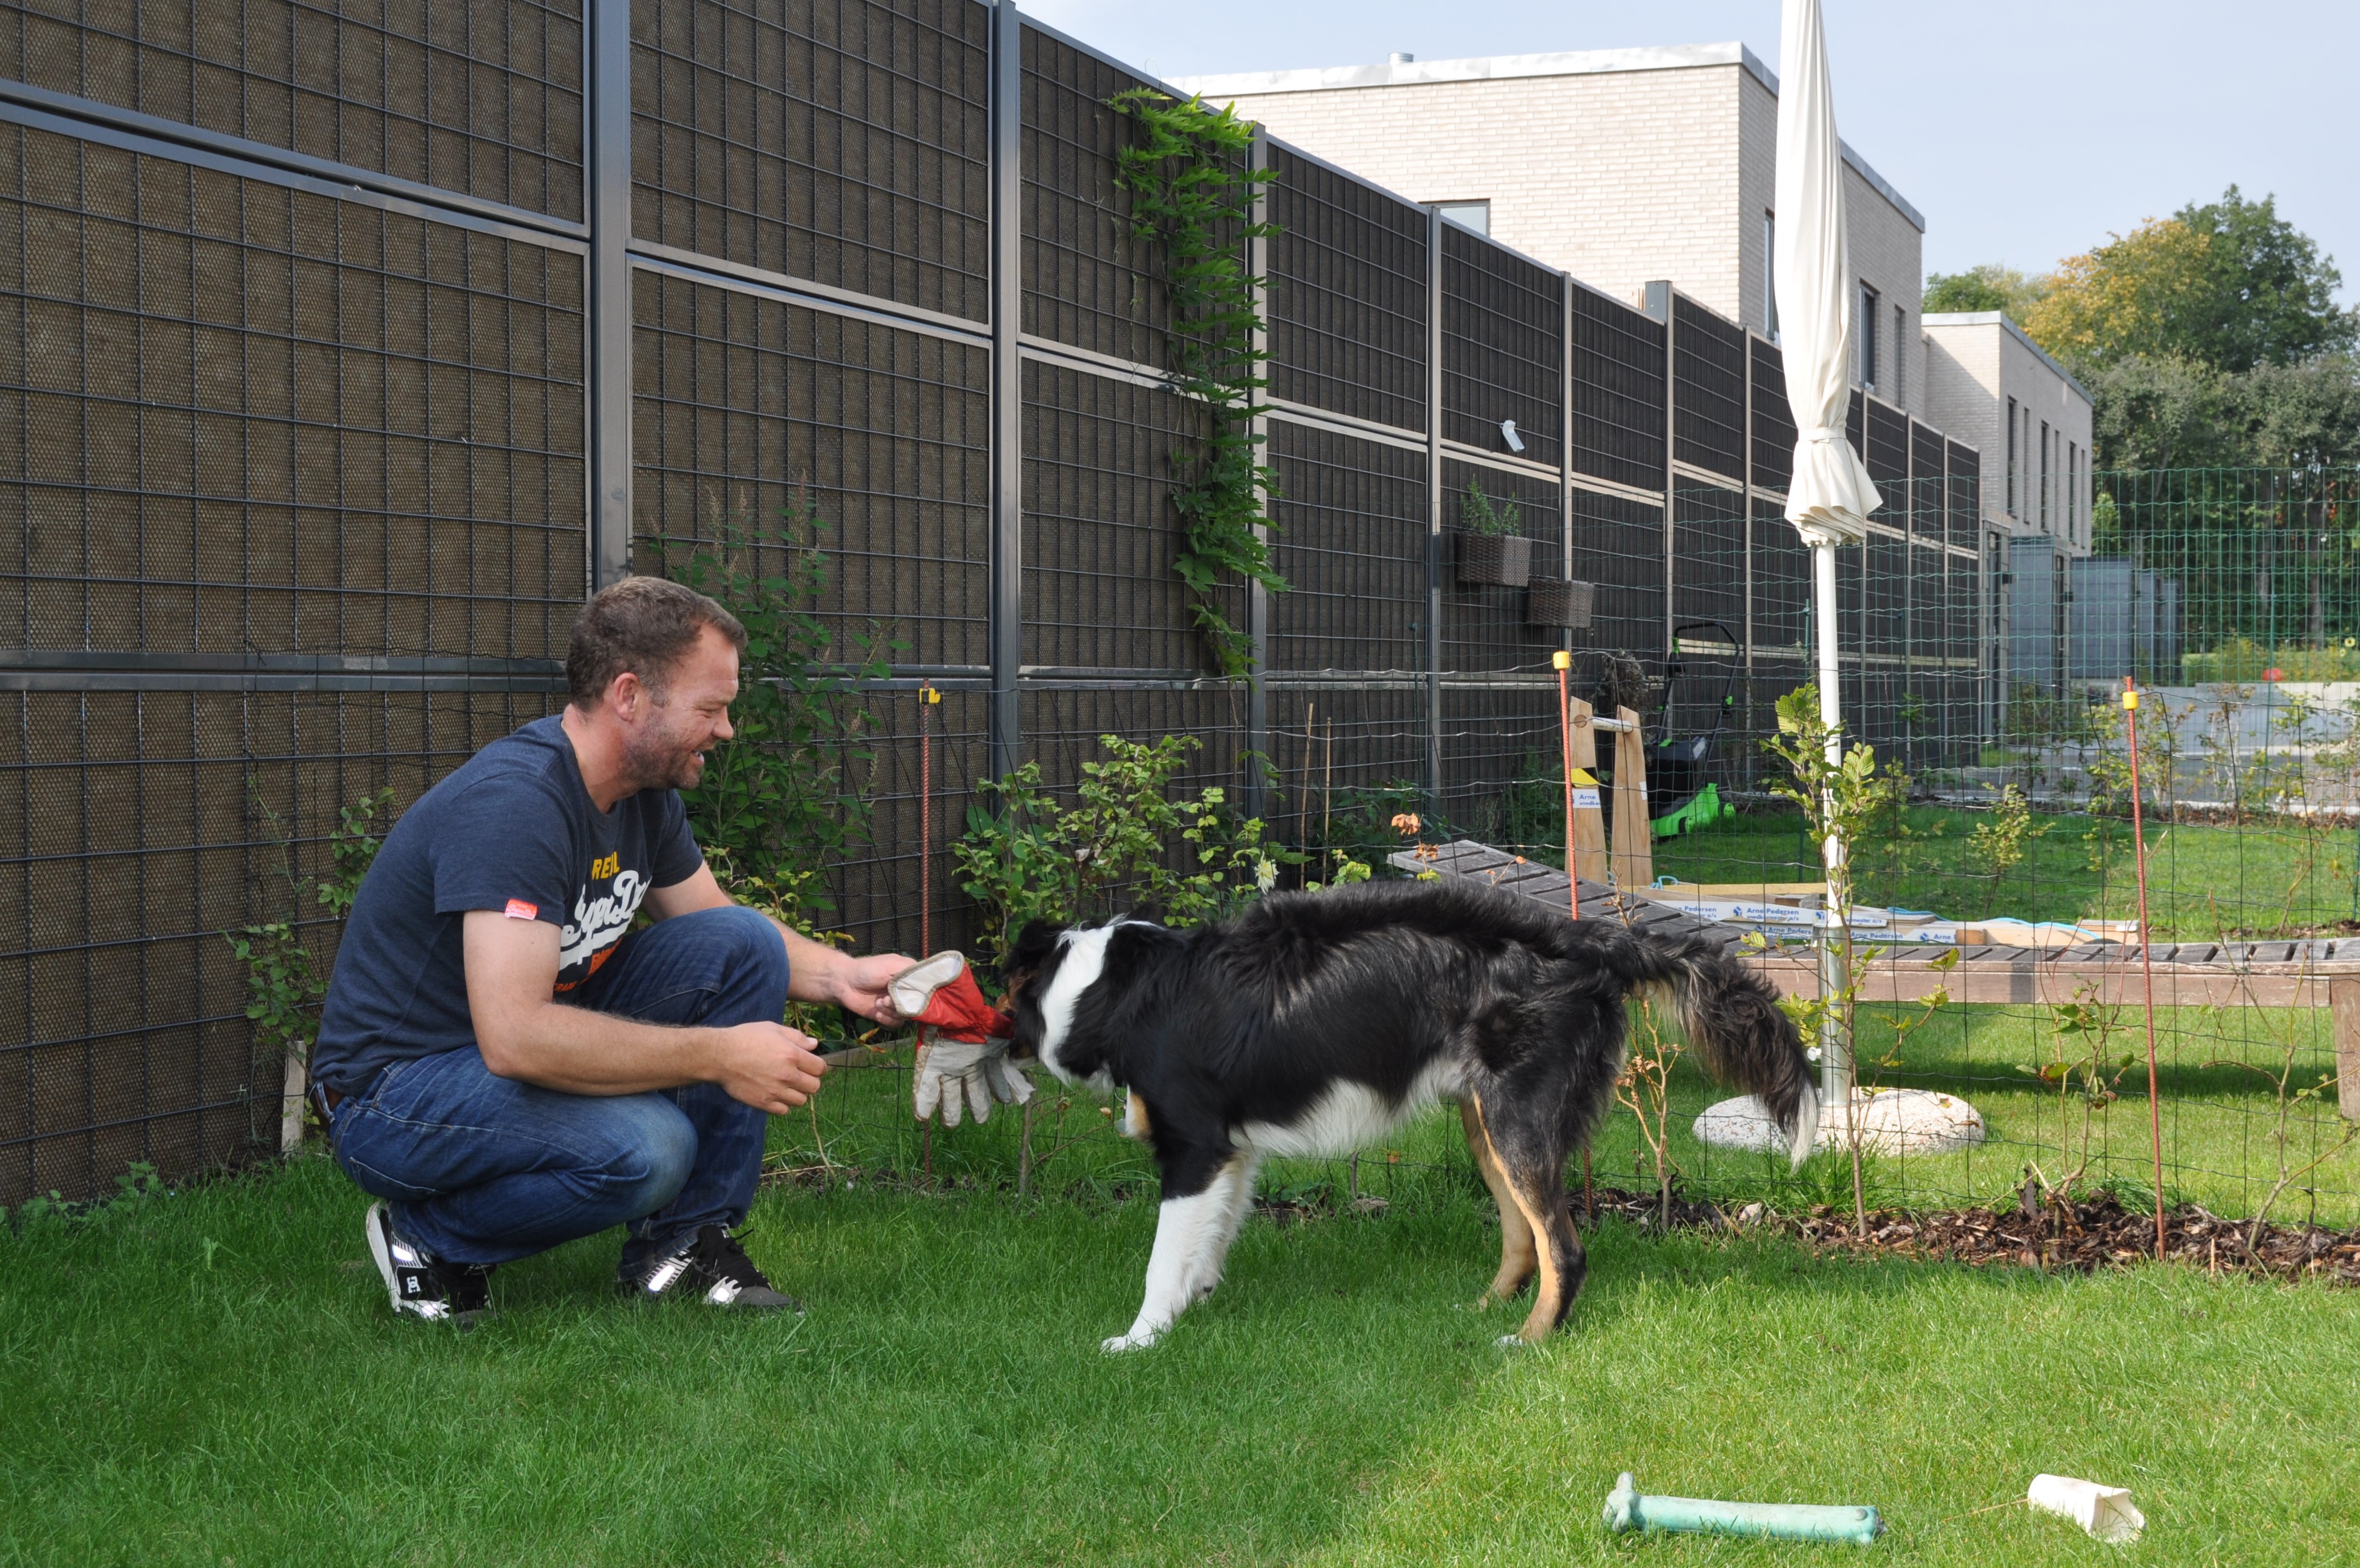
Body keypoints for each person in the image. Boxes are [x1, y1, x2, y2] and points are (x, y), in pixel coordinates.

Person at [311, 575, 911, 1324]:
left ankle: (682, 1248)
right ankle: (428, 1239)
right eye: (711, 708)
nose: (726, 730)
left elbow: (718, 928)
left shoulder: (642, 795)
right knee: (648, 1149)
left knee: (743, 943)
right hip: (393, 1095)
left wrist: (845, 976)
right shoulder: (518, 807)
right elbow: (517, 1036)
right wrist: (721, 1056)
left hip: (493, 1056)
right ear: (629, 696)